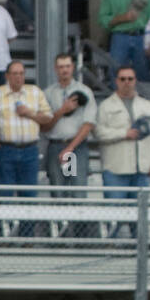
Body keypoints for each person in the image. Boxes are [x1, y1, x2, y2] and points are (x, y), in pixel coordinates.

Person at [0, 60, 53, 208]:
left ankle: (26, 231)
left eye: (21, 73)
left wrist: (30, 113)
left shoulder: (35, 92)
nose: (18, 77)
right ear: (7, 75)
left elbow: (48, 117)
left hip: (30, 150)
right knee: (4, 196)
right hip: (5, 150)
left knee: (29, 197)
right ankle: (5, 229)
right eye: (15, 74)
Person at [95, 65, 150, 199]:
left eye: (130, 79)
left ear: (135, 81)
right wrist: (124, 134)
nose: (126, 82)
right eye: (122, 79)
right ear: (116, 81)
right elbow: (98, 132)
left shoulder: (147, 106)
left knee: (140, 216)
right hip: (115, 170)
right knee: (115, 215)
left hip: (142, 170)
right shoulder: (106, 106)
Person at [43, 51, 97, 194]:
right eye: (61, 67)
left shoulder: (84, 91)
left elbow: (89, 124)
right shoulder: (48, 93)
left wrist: (70, 148)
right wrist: (62, 110)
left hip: (76, 148)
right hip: (55, 146)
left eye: (67, 66)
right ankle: (60, 217)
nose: (64, 70)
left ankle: (76, 217)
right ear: (55, 69)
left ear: (73, 67)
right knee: (58, 191)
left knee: (76, 190)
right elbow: (44, 126)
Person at [100, 0, 150, 80]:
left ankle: (142, 97)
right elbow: (103, 20)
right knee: (116, 70)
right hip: (119, 37)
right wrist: (122, 18)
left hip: (141, 36)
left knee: (142, 72)